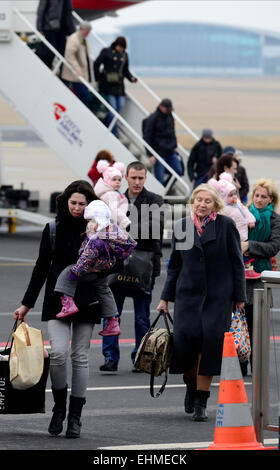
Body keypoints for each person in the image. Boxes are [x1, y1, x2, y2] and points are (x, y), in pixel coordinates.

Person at [13, 180, 113, 438]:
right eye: (73, 203)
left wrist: (100, 267)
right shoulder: (53, 229)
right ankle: (59, 409)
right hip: (58, 299)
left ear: (90, 204)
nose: (77, 208)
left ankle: (75, 417)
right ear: (65, 202)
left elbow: (119, 262)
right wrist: (26, 304)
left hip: (87, 299)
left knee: (79, 357)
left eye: (82, 203)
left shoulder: (100, 228)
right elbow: (41, 268)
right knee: (57, 353)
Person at [157, 183, 246, 421]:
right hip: (188, 296)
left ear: (215, 204)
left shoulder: (225, 226)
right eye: (199, 200)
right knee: (186, 346)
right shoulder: (183, 226)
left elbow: (237, 262)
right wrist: (165, 297)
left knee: (209, 346)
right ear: (192, 203)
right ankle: (191, 385)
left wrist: (239, 297)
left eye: (208, 201)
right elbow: (174, 264)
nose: (202, 204)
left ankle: (201, 401)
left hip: (218, 297)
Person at [100, 161, 164, 372]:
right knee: (111, 314)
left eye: (141, 178)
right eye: (133, 177)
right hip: (114, 265)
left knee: (142, 317)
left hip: (144, 266)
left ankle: (140, 357)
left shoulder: (154, 200)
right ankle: (110, 357)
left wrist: (119, 226)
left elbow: (154, 230)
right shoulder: (114, 196)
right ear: (126, 176)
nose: (137, 182)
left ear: (145, 178)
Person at [54, 200, 137, 338]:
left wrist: (76, 272)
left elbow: (86, 257)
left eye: (91, 221)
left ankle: (68, 302)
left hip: (91, 268)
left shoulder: (95, 240)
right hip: (104, 267)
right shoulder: (112, 231)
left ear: (99, 220)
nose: (89, 224)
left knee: (66, 273)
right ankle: (112, 321)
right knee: (104, 289)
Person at [240, 179, 280, 376]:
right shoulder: (243, 213)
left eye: (264, 197)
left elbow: (273, 247)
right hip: (240, 275)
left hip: (261, 276)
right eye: (257, 195)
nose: (259, 199)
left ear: (271, 199)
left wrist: (250, 245)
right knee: (240, 322)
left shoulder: (274, 219)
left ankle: (257, 366)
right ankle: (240, 364)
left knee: (258, 326)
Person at [208, 172, 260, 280]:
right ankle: (239, 270)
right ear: (222, 196)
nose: (234, 197)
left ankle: (247, 269)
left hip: (243, 232)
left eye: (235, 193)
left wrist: (251, 220)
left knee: (246, 252)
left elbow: (245, 211)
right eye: (230, 195)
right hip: (232, 235)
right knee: (236, 253)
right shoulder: (222, 209)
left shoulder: (238, 204)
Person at [93, 36, 137, 137]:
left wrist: (131, 78)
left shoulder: (125, 55)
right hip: (108, 87)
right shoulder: (106, 52)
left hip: (119, 87)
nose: (120, 49)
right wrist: (97, 78)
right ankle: (114, 132)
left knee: (120, 106)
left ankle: (106, 123)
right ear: (116, 45)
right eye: (119, 47)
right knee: (113, 109)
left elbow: (125, 70)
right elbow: (96, 63)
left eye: (122, 48)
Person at [143, 98, 183, 185]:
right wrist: (150, 154)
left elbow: (172, 133)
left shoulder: (170, 116)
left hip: (171, 152)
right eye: (167, 109)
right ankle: (161, 196)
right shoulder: (153, 118)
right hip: (158, 154)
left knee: (178, 171)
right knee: (159, 179)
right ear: (161, 107)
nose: (169, 111)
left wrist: (175, 146)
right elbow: (147, 137)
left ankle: (165, 189)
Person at [61, 22, 92, 107]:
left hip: (81, 75)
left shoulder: (82, 39)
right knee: (84, 96)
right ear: (82, 30)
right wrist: (76, 67)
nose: (88, 34)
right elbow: (69, 54)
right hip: (75, 75)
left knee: (84, 96)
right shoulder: (74, 39)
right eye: (87, 32)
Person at [36, 0, 75, 68]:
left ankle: (61, 73)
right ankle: (48, 69)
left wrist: (72, 31)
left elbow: (69, 13)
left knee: (63, 52)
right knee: (50, 52)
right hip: (49, 27)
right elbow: (41, 10)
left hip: (62, 29)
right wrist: (39, 28)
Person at [94, 160, 131, 229]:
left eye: (119, 180)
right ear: (107, 180)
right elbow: (113, 209)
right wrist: (125, 222)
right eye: (114, 179)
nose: (117, 182)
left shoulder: (112, 192)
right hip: (112, 225)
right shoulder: (111, 194)